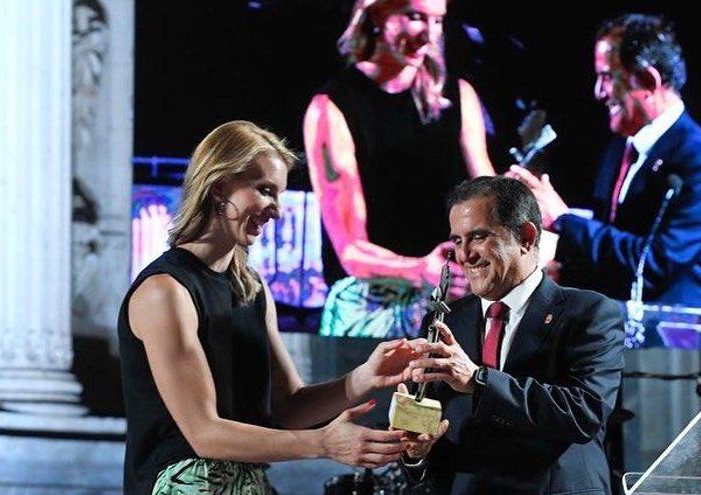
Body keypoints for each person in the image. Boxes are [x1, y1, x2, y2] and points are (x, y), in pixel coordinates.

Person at [117, 121, 433, 494]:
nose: (276, 210)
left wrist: (363, 378)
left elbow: (287, 407)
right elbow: (205, 434)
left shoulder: (251, 288)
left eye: (279, 194)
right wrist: (323, 444)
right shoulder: (165, 291)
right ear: (219, 187)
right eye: (265, 191)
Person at [402, 176, 625, 494]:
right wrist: (415, 453)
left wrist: (477, 381)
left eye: (478, 237)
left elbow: (584, 413)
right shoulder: (446, 321)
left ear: (526, 236)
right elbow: (425, 428)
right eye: (458, 241)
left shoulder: (589, 313)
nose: (464, 255)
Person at [510, 13, 701, 307]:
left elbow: (652, 265)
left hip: (678, 342)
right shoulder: (619, 150)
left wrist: (565, 221)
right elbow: (614, 256)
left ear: (647, 80)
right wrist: (562, 272)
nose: (599, 92)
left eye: (607, 76)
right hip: (621, 333)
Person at [303, 0, 496, 339]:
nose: (429, 34)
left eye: (437, 21)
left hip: (454, 303)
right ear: (378, 15)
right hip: (371, 308)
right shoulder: (332, 107)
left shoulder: (459, 95)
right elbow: (351, 251)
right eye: (415, 17)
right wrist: (422, 269)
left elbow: (489, 204)